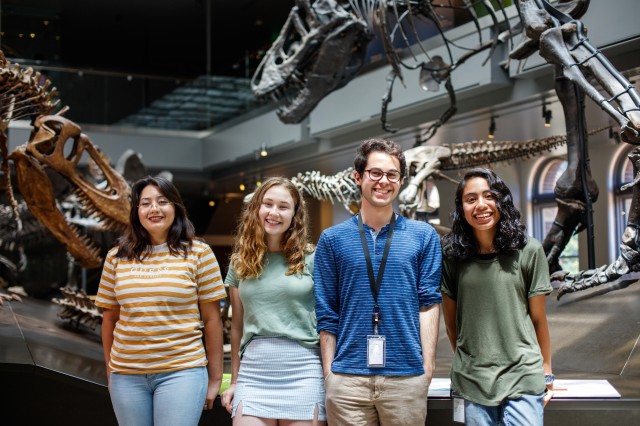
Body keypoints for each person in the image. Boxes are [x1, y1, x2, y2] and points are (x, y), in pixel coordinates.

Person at [314, 138, 442, 426]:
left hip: (406, 376)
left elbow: (429, 303)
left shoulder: (424, 236)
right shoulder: (332, 240)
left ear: (401, 180)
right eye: (375, 173)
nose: (384, 181)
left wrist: (427, 367)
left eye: (392, 174)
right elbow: (326, 311)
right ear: (358, 177)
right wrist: (330, 374)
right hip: (347, 380)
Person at [95, 176, 226, 426]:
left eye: (162, 201)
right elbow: (109, 318)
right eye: (145, 203)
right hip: (127, 375)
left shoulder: (199, 253)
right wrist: (110, 370)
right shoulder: (116, 257)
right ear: (137, 212)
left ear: (175, 207)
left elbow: (212, 320)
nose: (154, 209)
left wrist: (214, 379)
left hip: (182, 372)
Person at [440, 167, 554, 426]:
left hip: (522, 374)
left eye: (489, 196)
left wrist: (546, 371)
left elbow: (538, 319)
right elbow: (450, 324)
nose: (481, 205)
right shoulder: (451, 256)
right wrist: (468, 362)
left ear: (501, 200)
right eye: (471, 199)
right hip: (472, 380)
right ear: (462, 207)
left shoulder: (529, 251)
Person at [220, 177, 326, 425]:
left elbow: (329, 321)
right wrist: (235, 380)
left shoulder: (313, 257)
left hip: (305, 371)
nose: (273, 213)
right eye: (268, 204)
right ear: (257, 207)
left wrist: (331, 377)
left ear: (294, 214)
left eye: (283, 206)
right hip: (254, 373)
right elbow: (237, 327)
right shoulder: (240, 262)